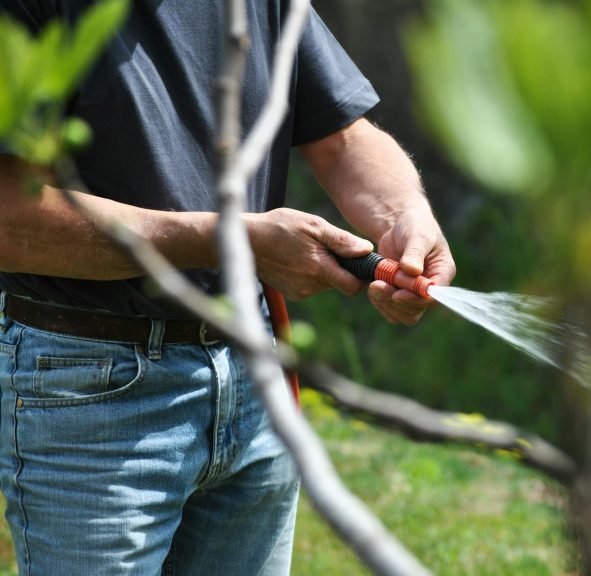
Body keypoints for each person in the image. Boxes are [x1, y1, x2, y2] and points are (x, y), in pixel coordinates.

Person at [0, 2, 455, 575]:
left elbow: (342, 138)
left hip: (252, 366)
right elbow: (9, 219)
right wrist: (229, 240)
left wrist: (404, 213)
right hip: (90, 389)